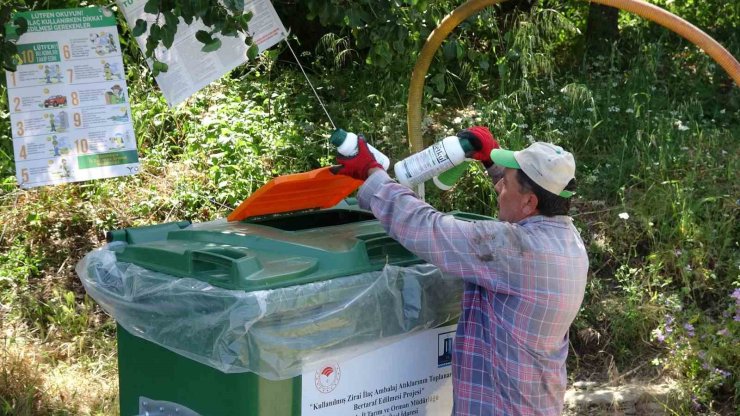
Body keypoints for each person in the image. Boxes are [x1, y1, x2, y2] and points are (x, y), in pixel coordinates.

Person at [334, 128, 588, 416]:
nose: (498, 187)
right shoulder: (567, 239)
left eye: (504, 183)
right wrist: (492, 164)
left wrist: (372, 173)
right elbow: (521, 201)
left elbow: (427, 227)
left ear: (530, 202)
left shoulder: (518, 252)